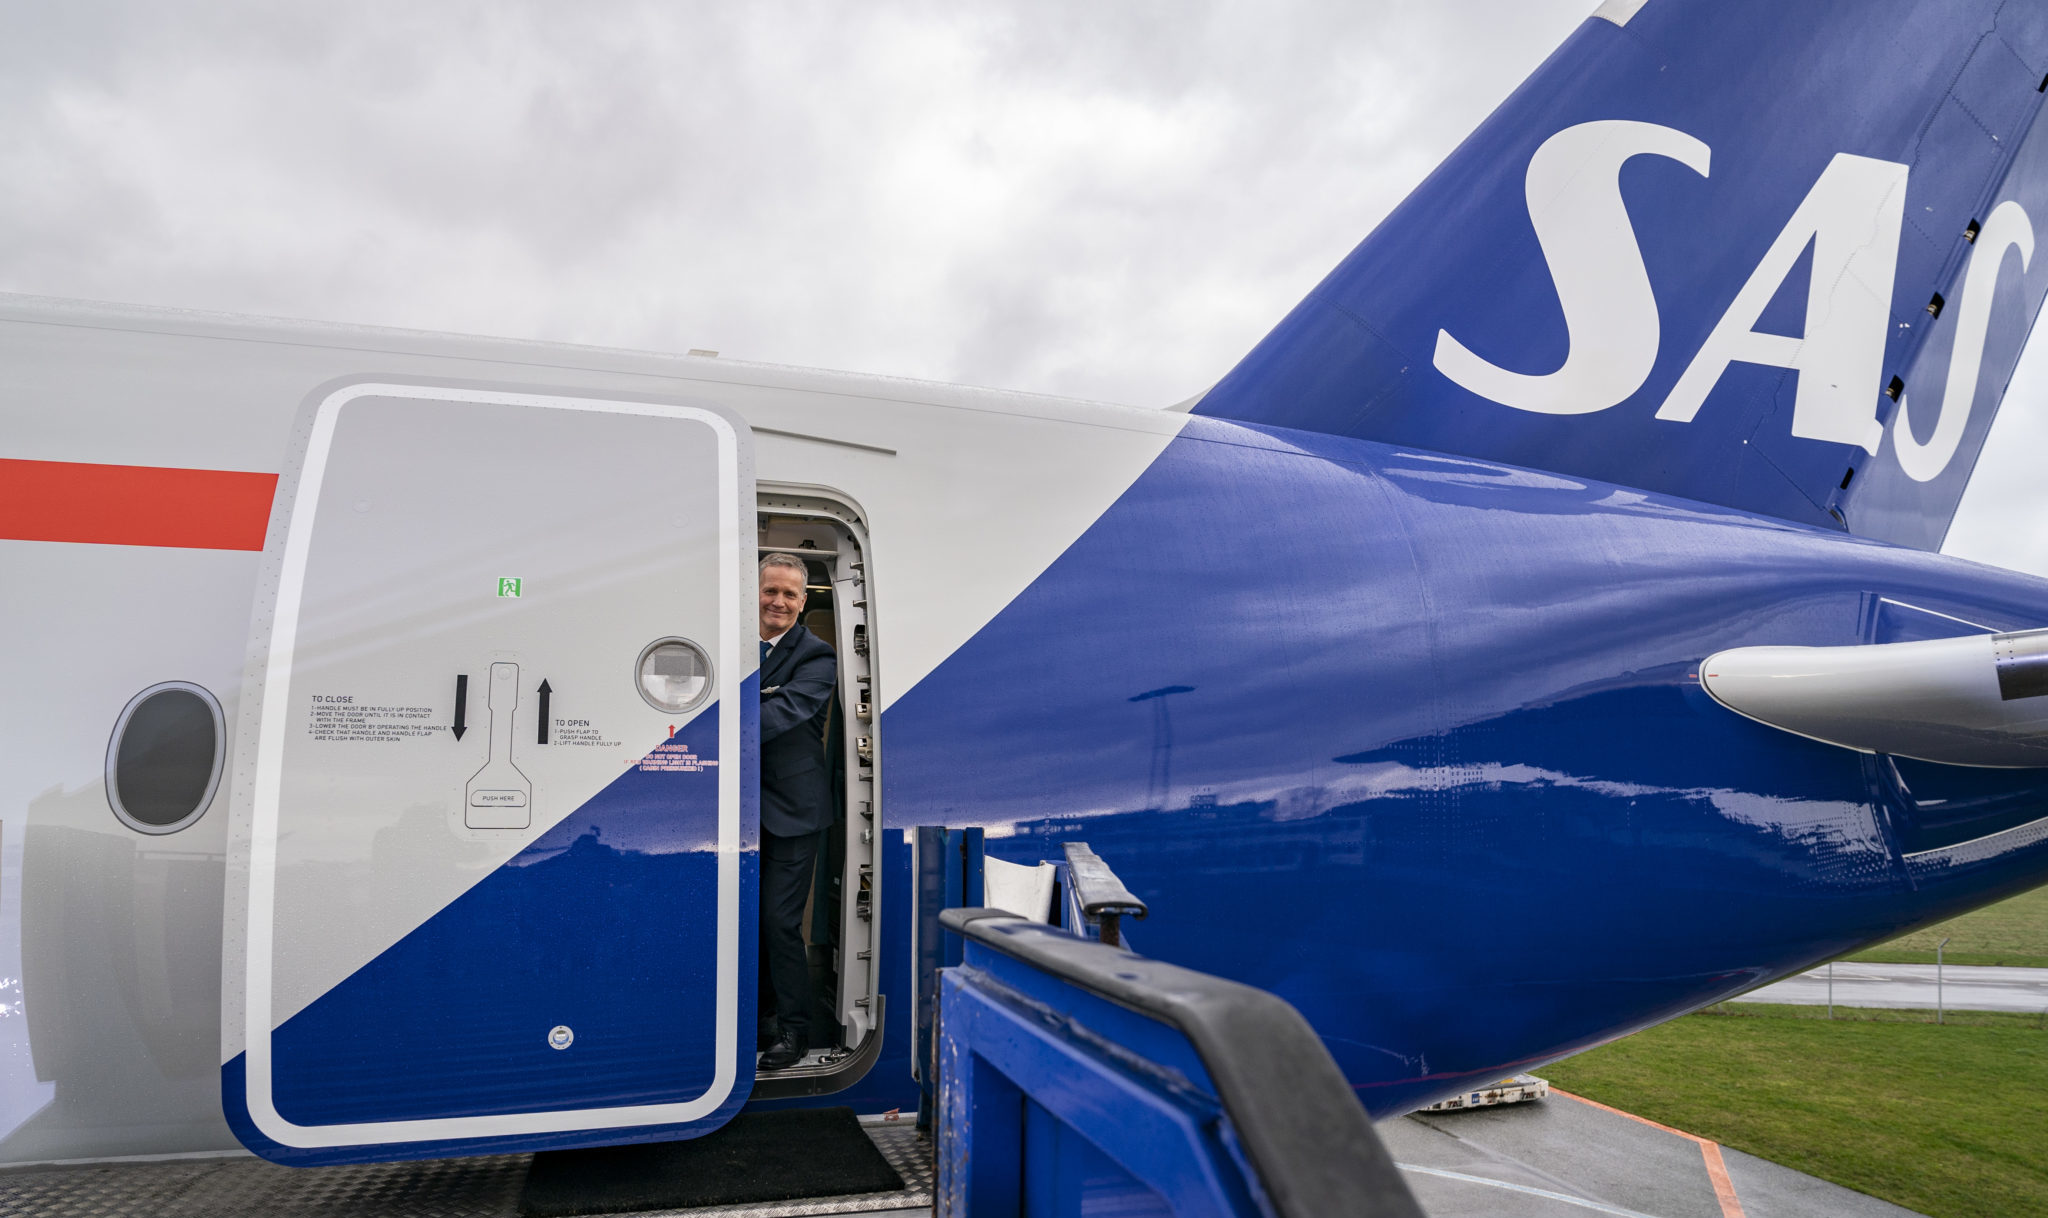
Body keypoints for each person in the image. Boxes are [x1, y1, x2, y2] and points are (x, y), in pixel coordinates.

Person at [755, 552, 837, 1071]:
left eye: (789, 594)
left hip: (793, 811)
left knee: (779, 923)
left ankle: (795, 1030)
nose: (779, 602)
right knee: (745, 920)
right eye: (771, 590)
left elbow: (783, 711)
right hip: (735, 811)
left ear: (804, 602)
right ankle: (759, 1017)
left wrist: (706, 718)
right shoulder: (733, 647)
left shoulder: (817, 656)